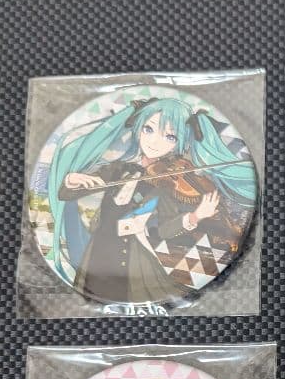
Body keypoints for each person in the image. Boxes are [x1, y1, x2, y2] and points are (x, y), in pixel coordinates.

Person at [47, 95, 256, 304]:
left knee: (136, 299)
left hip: (134, 258)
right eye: (148, 129)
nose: (155, 142)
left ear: (181, 142)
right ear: (138, 128)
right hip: (98, 255)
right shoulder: (118, 169)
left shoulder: (165, 185)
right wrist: (72, 181)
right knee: (90, 299)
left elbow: (165, 230)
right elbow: (65, 194)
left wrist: (196, 216)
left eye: (170, 137)